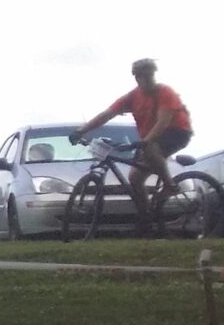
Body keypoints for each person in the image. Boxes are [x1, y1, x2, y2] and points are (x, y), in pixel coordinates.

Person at [73, 59, 194, 236]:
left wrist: (145, 141)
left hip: (177, 132)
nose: (148, 80)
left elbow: (163, 121)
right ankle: (146, 220)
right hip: (151, 137)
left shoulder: (165, 92)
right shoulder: (132, 97)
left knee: (151, 147)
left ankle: (169, 185)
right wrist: (81, 131)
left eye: (150, 76)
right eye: (143, 77)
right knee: (135, 179)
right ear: (136, 78)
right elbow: (107, 114)